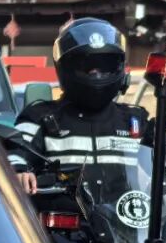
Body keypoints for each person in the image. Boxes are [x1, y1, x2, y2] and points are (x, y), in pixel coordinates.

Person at [10, 17, 152, 198]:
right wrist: (19, 171)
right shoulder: (40, 117)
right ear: (65, 67)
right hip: (61, 214)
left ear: (119, 67)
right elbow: (14, 151)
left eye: (104, 66)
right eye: (87, 66)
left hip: (126, 214)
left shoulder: (134, 121)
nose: (96, 74)